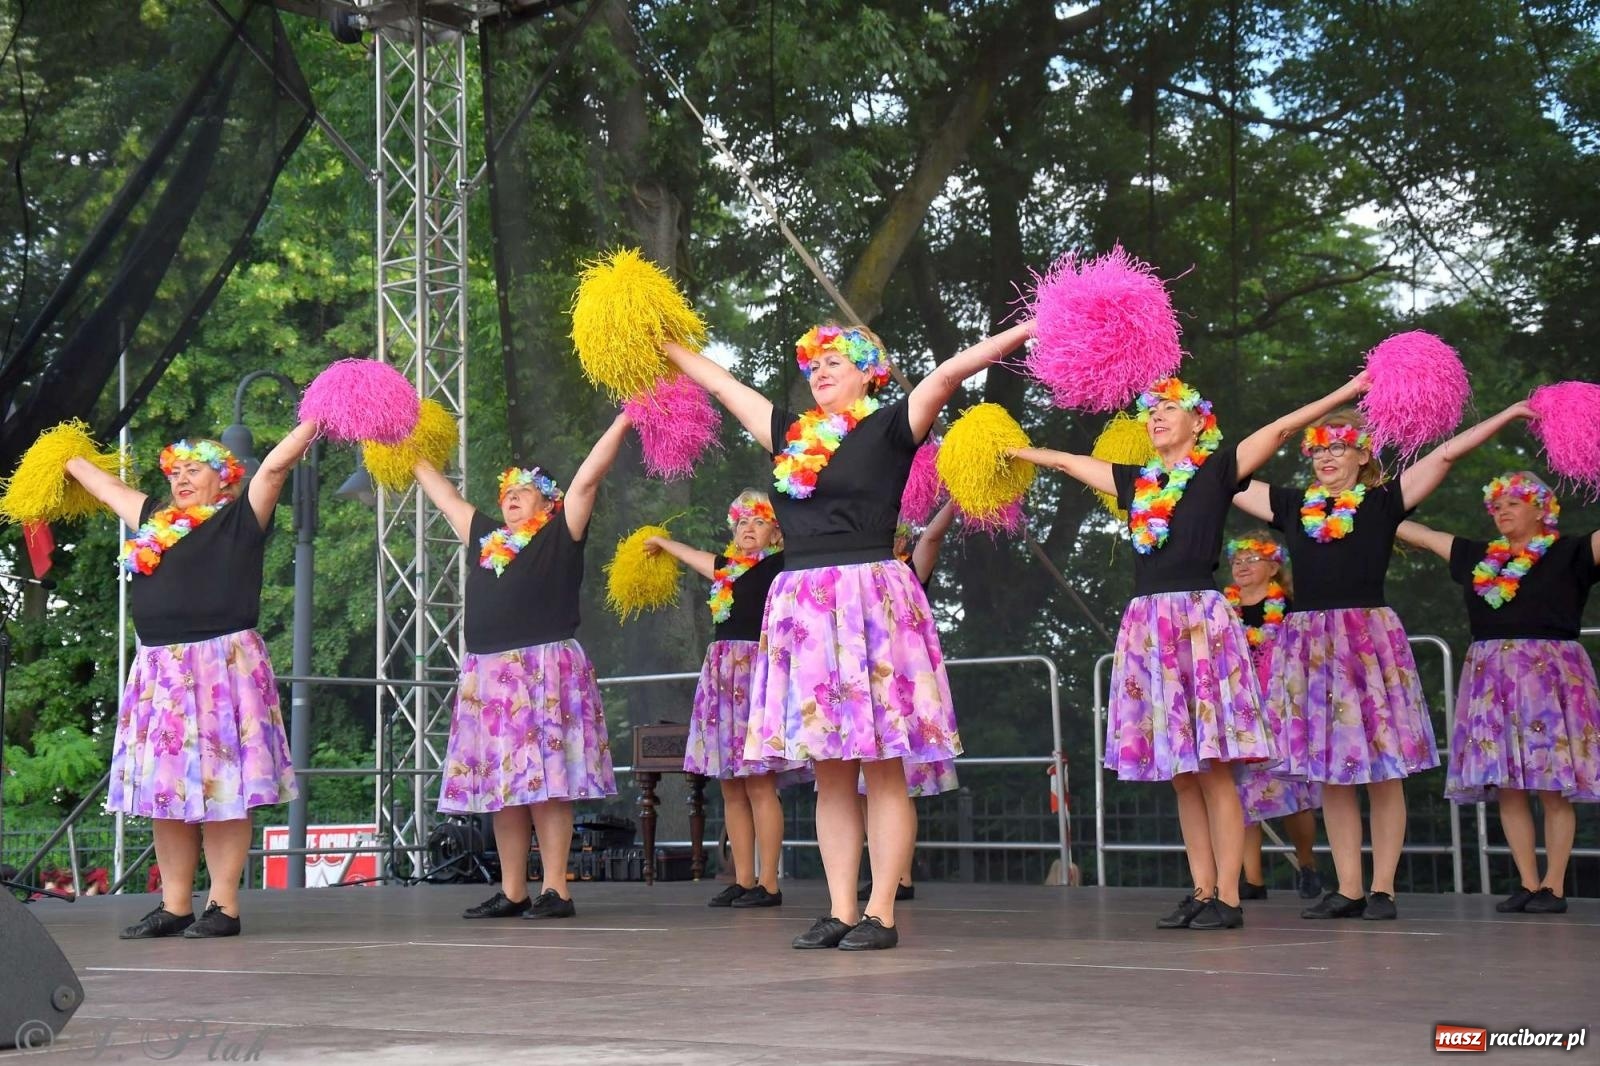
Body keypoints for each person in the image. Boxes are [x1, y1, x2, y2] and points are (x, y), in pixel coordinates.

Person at [661, 319, 1034, 950]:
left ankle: (880, 912)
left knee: (882, 769)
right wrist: (660, 342)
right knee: (830, 773)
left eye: (836, 361)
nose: (822, 371)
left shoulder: (891, 426)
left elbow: (950, 373)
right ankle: (839, 909)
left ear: (869, 374)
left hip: (870, 602)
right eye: (815, 364)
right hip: (805, 610)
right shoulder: (789, 434)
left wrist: (1032, 326)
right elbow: (723, 386)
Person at [1011, 374, 1369, 930]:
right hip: (1149, 626)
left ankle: (1228, 896)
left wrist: (1348, 390)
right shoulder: (1136, 482)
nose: (1155, 417)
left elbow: (1282, 428)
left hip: (1199, 625)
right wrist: (1010, 450)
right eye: (1150, 411)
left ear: (1199, 422)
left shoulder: (1217, 470)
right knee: (1182, 774)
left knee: (1214, 770)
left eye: (1169, 409)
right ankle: (1202, 889)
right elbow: (1066, 462)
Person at [1233, 400, 1536, 920]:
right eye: (1319, 449)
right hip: (1310, 645)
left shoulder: (1382, 502)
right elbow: (1231, 475)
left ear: (1362, 455)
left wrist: (1509, 414)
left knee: (1383, 771)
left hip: (1366, 641)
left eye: (1339, 447)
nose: (1327, 457)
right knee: (1331, 773)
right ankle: (1348, 887)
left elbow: (1445, 455)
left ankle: (1383, 888)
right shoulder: (1292, 505)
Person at [65, 428, 314, 938]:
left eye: (193, 470)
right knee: (167, 792)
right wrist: (62, 456)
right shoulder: (154, 518)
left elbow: (274, 467)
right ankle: (174, 904)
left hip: (222, 667)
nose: (180, 478)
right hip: (161, 671)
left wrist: (317, 416)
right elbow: (106, 488)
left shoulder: (240, 518)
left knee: (224, 791)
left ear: (223, 480)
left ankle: (223, 906)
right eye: (174, 471)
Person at [414, 413, 631, 921]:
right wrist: (405, 447)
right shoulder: (486, 537)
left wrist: (623, 419)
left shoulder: (561, 531)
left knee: (548, 786)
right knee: (502, 789)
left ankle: (556, 889)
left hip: (544, 669)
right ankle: (513, 891)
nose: (510, 497)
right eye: (507, 491)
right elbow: (445, 497)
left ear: (548, 502)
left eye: (524, 491)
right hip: (489, 676)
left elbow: (588, 478)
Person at [1396, 471, 1599, 914]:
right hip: (1491, 678)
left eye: (1513, 503)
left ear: (1542, 509)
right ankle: (1528, 881)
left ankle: (1553, 886)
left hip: (1550, 680)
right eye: (1497, 506)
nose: (1502, 512)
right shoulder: (1478, 556)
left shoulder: (1572, 553)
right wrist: (1372, 507)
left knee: (1553, 786)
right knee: (1508, 787)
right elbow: (1422, 534)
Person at [644, 489, 799, 909]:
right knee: (731, 786)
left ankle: (769, 883)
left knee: (760, 785)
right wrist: (661, 542)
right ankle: (743, 879)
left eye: (759, 521)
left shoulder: (782, 567)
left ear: (776, 533)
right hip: (723, 678)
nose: (748, 528)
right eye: (742, 521)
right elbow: (694, 555)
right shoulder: (727, 570)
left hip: (757, 679)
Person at [858, 499, 961, 903]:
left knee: (895, 788)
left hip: (899, 692)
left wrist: (957, 499)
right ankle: (880, 872)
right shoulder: (852, 574)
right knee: (862, 791)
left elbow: (932, 537)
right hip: (863, 686)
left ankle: (900, 875)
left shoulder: (907, 572)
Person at [1223, 531, 1323, 900]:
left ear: (1273, 566)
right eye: (1237, 561)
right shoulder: (1223, 608)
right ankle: (1252, 880)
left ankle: (1307, 864)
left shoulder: (1291, 606)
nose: (1242, 566)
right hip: (1238, 707)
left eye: (1252, 559)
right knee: (1239, 793)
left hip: (1282, 707)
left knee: (1291, 792)